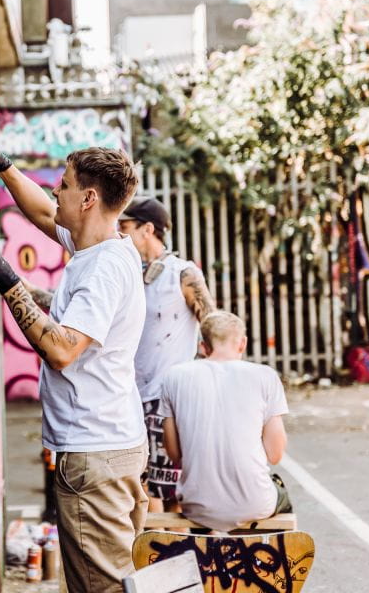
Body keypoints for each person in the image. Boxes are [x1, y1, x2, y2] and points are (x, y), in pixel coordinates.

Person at [0, 128, 148, 589]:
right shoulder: (99, 245)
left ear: (88, 199)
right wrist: (2, 165)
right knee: (118, 580)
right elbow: (43, 211)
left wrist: (10, 284)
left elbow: (62, 350)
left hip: (95, 454)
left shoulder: (103, 270)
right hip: (112, 446)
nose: (56, 191)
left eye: (64, 184)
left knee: (102, 587)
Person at [118, 197, 215, 515]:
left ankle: (169, 546)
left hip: (168, 400)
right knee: (140, 488)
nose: (119, 233)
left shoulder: (182, 274)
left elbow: (213, 326)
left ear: (147, 229)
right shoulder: (128, 275)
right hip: (131, 399)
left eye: (125, 226)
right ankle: (157, 544)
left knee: (170, 493)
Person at [159, 311, 292, 532]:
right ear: (243, 343)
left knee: (205, 511)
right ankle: (264, 552)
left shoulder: (174, 376)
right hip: (255, 503)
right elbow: (275, 455)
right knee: (280, 496)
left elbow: (174, 454)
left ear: (203, 347)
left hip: (196, 505)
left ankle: (205, 549)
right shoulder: (265, 376)